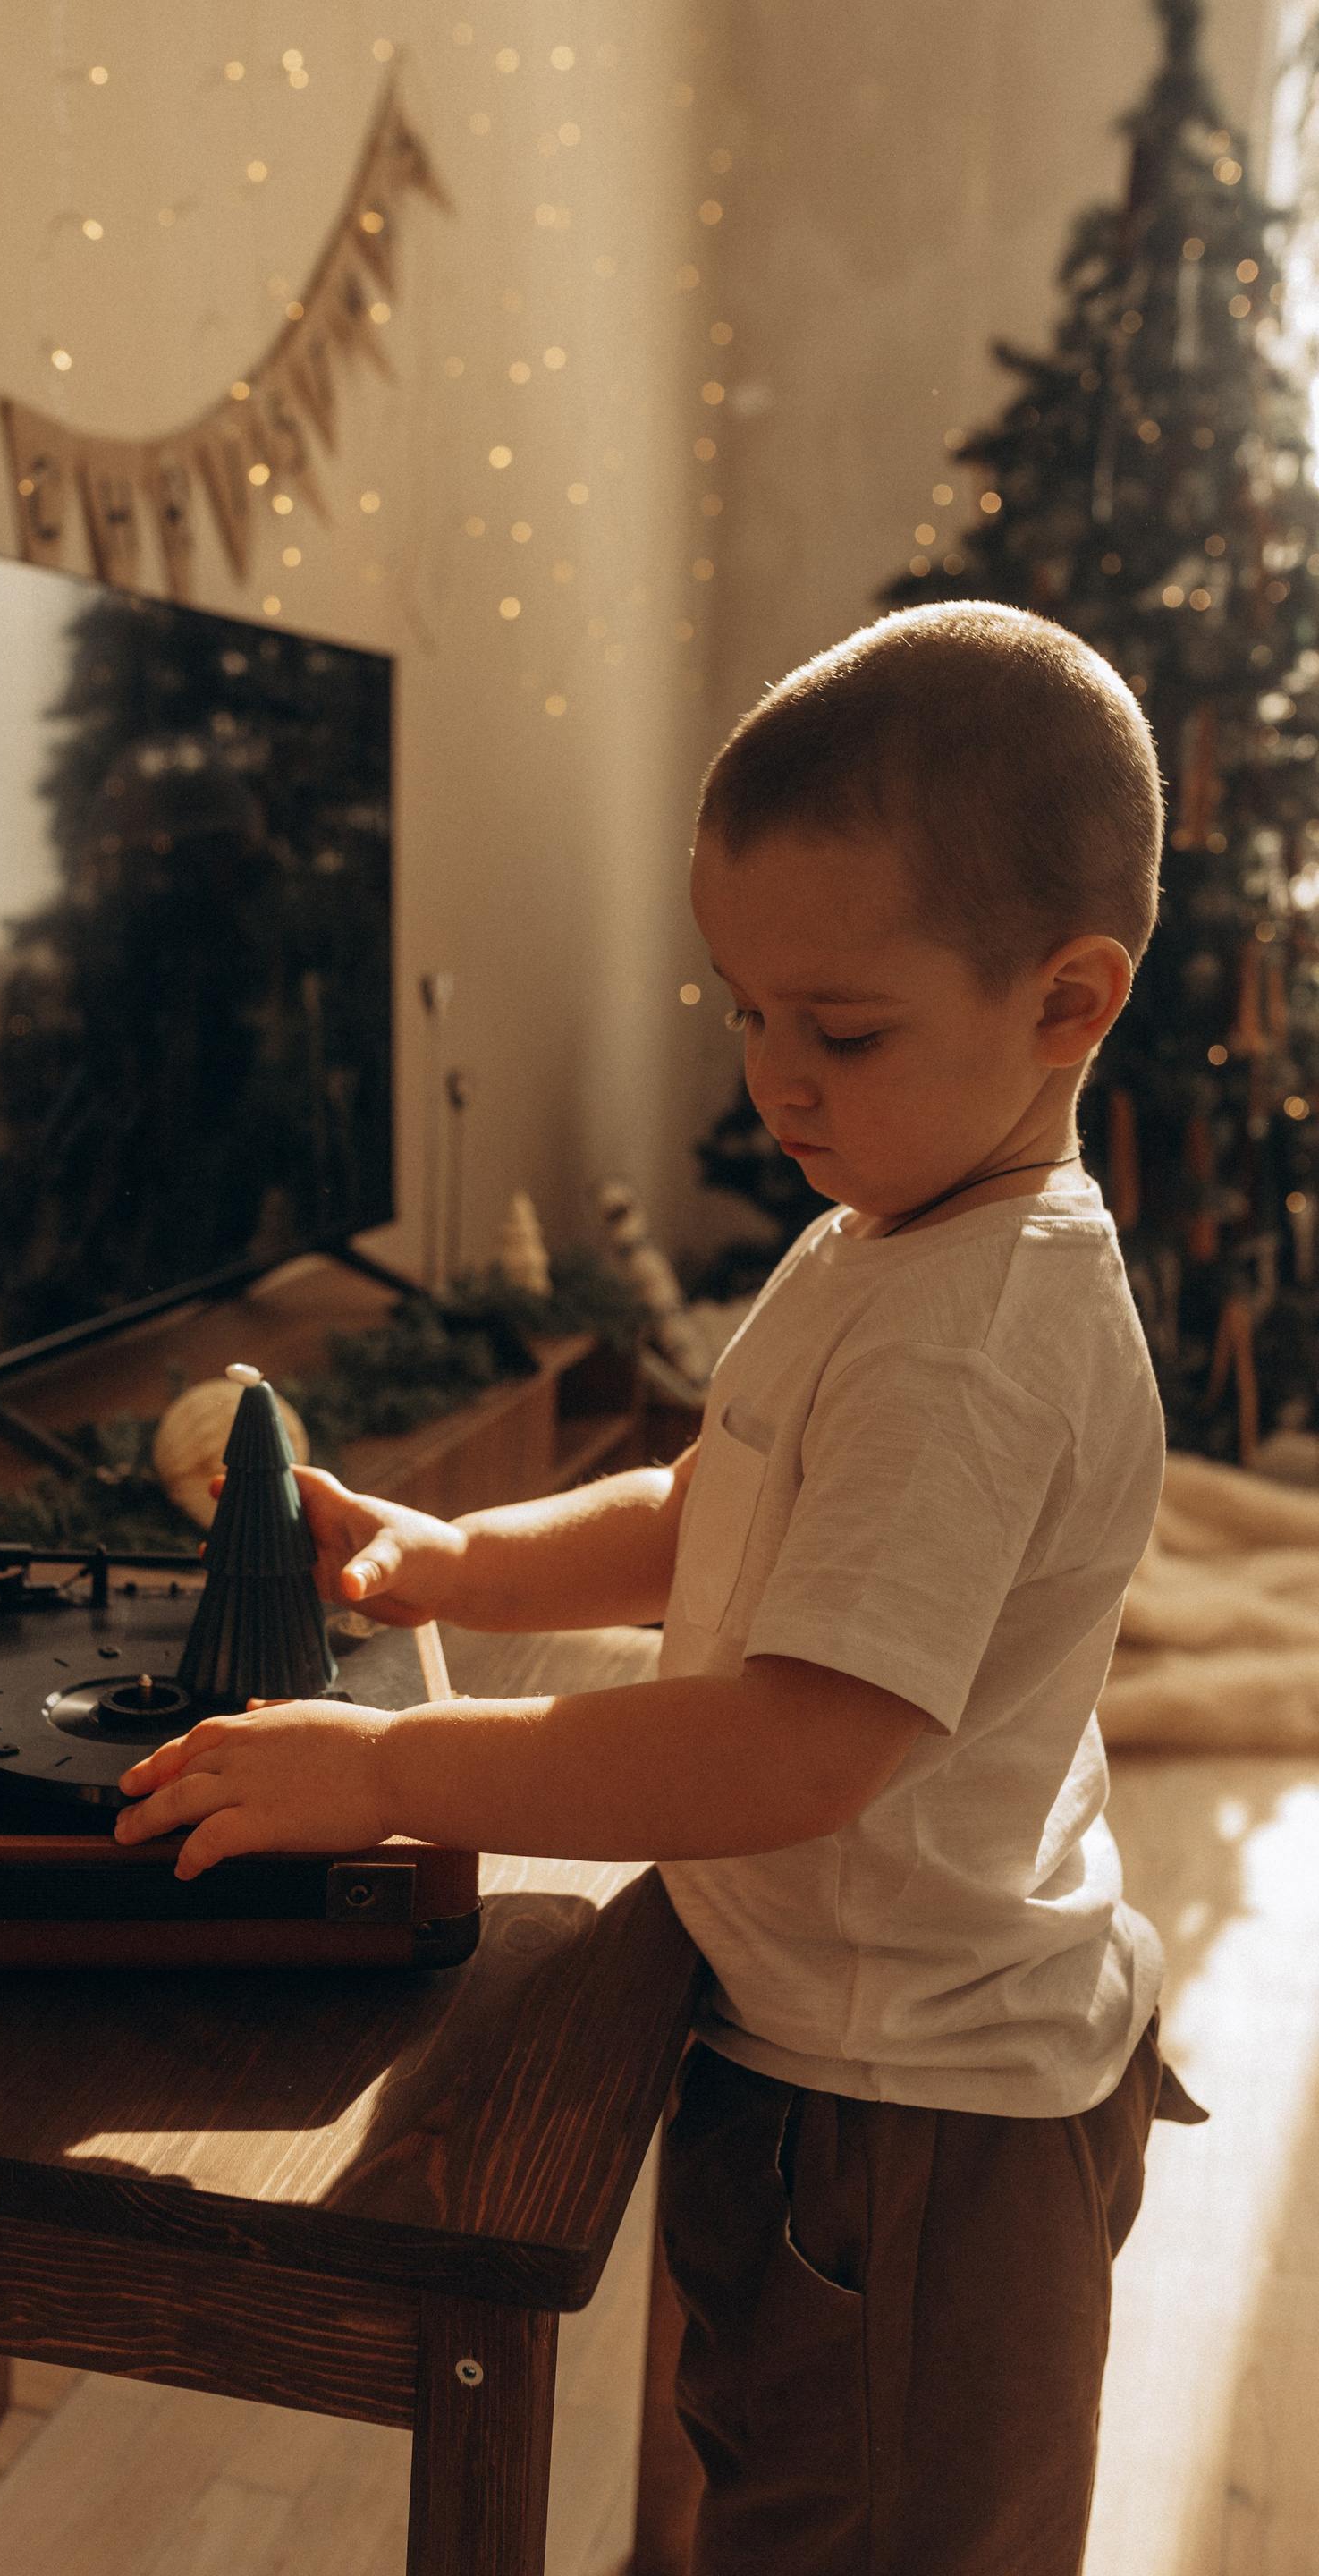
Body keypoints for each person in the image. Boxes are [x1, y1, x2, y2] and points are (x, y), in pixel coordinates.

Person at [115, 601, 1203, 2574]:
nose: (778, 1079)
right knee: (765, 2474)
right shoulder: (885, 1232)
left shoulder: (975, 1340)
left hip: (916, 2126)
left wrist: (390, 1777)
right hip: (841, 2062)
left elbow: (793, 1753)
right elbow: (715, 1496)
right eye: (746, 1010)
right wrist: (458, 1559)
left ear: (1068, 1003)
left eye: (841, 1030)